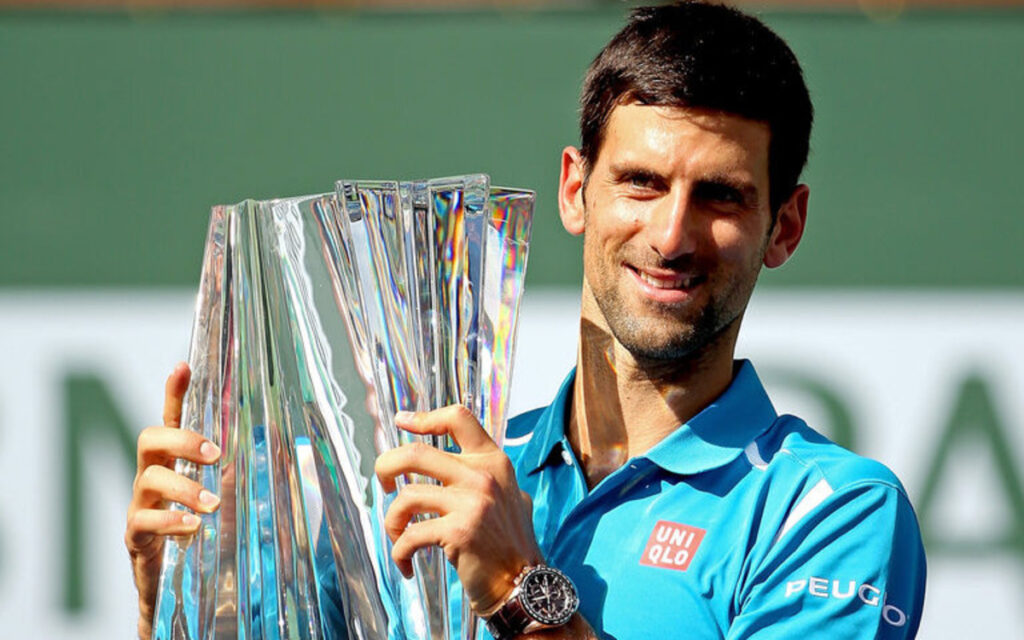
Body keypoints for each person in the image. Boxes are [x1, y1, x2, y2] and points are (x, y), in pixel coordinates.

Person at [126, 2, 927, 638]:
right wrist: (180, 601)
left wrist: (519, 592)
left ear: (783, 226)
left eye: (721, 195)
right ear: (577, 190)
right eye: (641, 182)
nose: (673, 235)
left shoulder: (831, 512)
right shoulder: (433, 478)